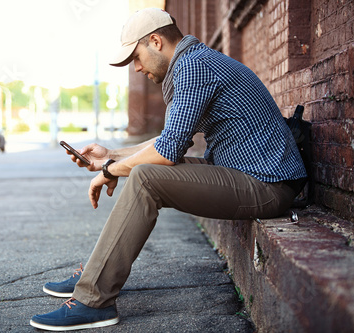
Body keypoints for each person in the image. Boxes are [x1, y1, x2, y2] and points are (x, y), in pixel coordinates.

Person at [30, 7, 307, 331]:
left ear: (156, 41)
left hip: (267, 184)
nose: (135, 68)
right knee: (142, 172)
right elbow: (169, 140)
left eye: (136, 56)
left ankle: (94, 299)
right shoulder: (193, 62)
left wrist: (110, 170)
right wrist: (112, 155)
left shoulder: (193, 66)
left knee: (146, 177)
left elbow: (166, 152)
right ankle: (95, 273)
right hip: (247, 175)